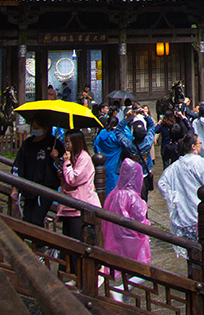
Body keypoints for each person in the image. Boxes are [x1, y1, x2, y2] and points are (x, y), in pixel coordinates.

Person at [158, 132, 204, 253]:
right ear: (193, 146)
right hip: (201, 214)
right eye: (199, 143)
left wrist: (173, 199)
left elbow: (162, 184)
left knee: (190, 253)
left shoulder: (175, 166)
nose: (200, 145)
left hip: (184, 215)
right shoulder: (202, 163)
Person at [12, 113, 64, 227]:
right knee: (27, 218)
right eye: (34, 127)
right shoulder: (27, 144)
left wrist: (56, 158)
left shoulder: (54, 144)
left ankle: (39, 239)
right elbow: (18, 164)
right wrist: (15, 187)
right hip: (28, 186)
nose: (35, 129)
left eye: (38, 127)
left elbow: (63, 167)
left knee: (37, 219)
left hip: (46, 187)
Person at [58, 129, 101, 268]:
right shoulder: (73, 157)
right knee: (67, 241)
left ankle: (78, 272)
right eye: (65, 142)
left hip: (79, 205)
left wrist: (66, 164)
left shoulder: (84, 158)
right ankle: (67, 270)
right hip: (70, 205)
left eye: (68, 142)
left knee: (77, 241)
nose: (66, 146)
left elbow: (73, 179)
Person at [101, 158, 152, 268]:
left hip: (115, 236)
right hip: (132, 239)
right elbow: (139, 220)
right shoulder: (133, 197)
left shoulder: (114, 193)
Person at [95, 115, 139, 197]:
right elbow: (129, 140)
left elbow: (95, 147)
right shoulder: (116, 136)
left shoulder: (101, 134)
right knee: (115, 189)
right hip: (115, 165)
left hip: (104, 164)